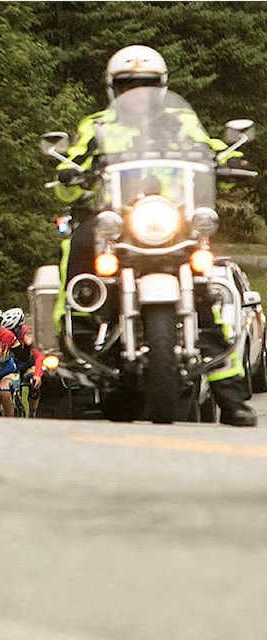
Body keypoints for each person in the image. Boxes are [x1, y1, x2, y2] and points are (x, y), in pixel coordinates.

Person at [52, 44, 256, 427]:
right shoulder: (97, 126)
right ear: (114, 89)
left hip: (169, 216)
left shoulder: (180, 121)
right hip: (119, 217)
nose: (137, 93)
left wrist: (228, 161)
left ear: (161, 87)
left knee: (204, 292)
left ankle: (231, 399)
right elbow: (75, 164)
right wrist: (70, 170)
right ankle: (75, 326)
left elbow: (207, 150)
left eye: (145, 85)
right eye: (129, 85)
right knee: (78, 240)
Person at [2, 307, 44, 418]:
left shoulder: (29, 333)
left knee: (34, 384)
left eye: (10, 330)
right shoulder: (4, 335)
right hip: (12, 366)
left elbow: (39, 356)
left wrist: (37, 375)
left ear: (17, 328)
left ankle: (32, 412)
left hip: (28, 365)